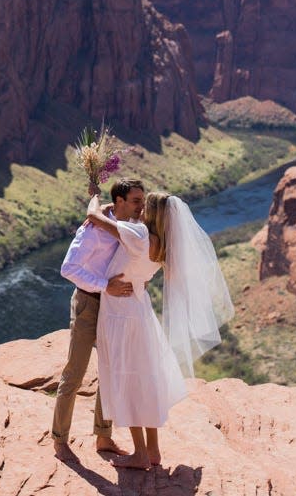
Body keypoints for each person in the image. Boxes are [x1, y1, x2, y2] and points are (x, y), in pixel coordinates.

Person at [86, 190, 234, 469]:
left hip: (120, 313)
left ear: (151, 213)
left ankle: (141, 454)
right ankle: (152, 451)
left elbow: (93, 218)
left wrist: (97, 197)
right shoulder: (163, 244)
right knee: (144, 379)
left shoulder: (139, 236)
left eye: (144, 204)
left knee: (127, 380)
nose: (139, 208)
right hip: (140, 311)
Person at [51, 178, 146, 464]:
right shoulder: (93, 230)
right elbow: (68, 268)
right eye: (136, 201)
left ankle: (103, 437)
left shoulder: (127, 227)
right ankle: (59, 439)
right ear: (119, 202)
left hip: (113, 306)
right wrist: (105, 285)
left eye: (142, 200)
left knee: (110, 371)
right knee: (75, 372)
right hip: (89, 304)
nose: (141, 206)